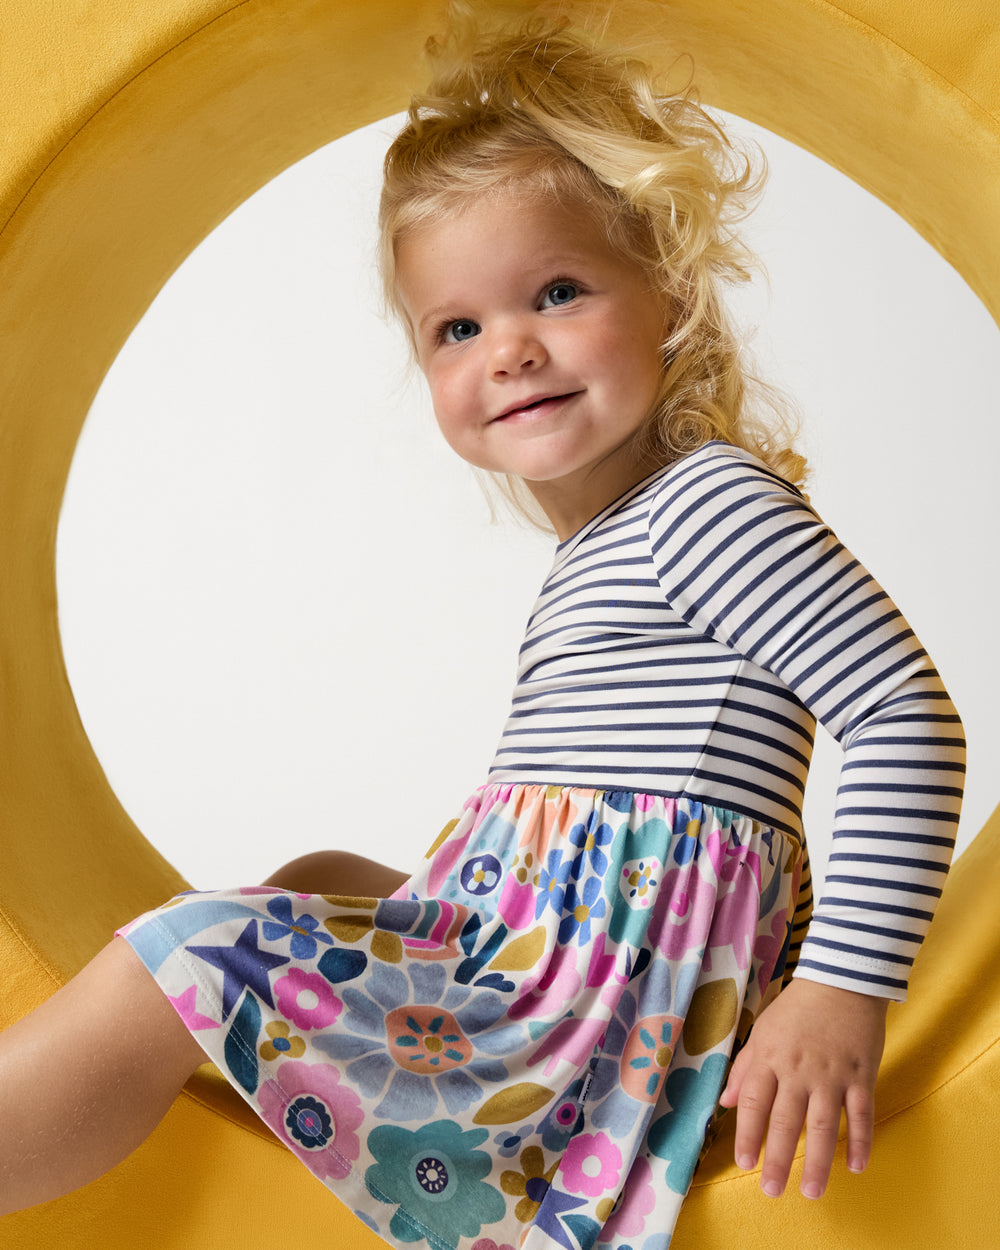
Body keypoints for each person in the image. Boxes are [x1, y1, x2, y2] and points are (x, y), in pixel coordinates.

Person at [0, 14, 965, 1248]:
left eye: (556, 292)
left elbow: (902, 716)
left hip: (586, 1029)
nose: (508, 347)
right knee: (315, 884)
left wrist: (842, 986)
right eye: (456, 328)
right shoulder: (601, 541)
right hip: (557, 969)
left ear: (667, 293)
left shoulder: (706, 503)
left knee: (187, 955)